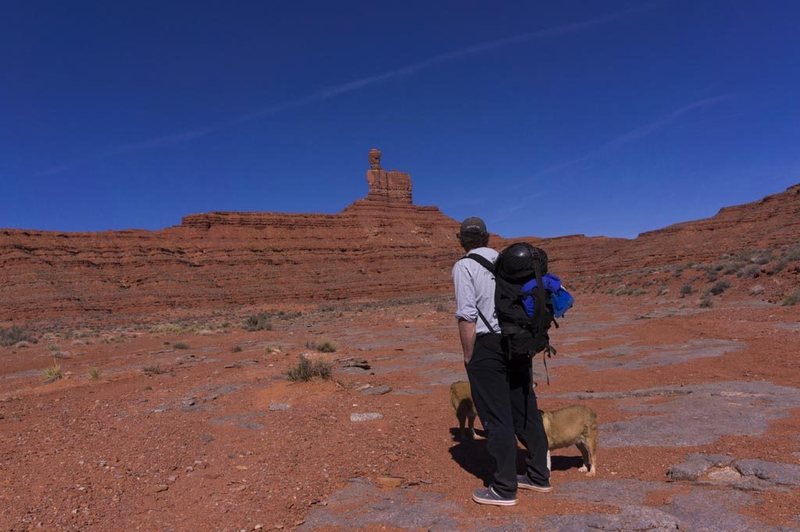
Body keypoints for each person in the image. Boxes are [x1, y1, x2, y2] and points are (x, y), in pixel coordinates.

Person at [452, 216, 552, 507]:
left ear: (461, 240)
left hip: (488, 346)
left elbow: (466, 315)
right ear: (486, 238)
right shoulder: (506, 260)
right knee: (525, 410)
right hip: (517, 342)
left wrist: (469, 355)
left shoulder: (465, 266)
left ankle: (504, 488)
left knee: (496, 417)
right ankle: (538, 476)